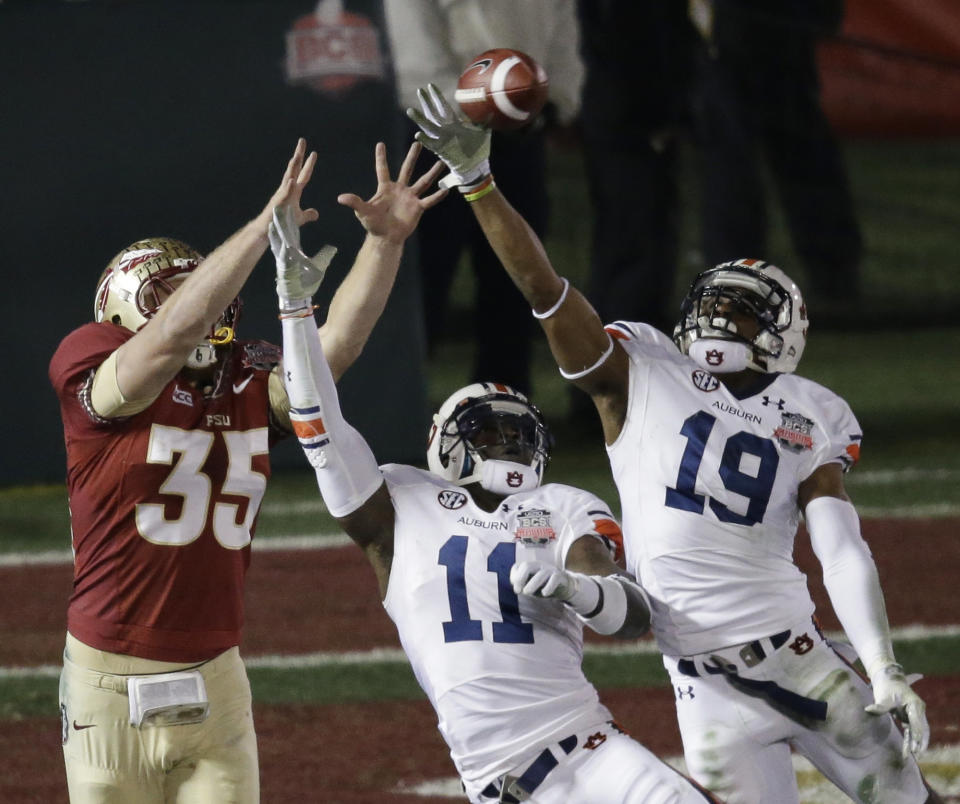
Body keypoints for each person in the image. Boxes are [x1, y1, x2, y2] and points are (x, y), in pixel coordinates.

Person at [406, 86, 944, 803]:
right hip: (701, 684)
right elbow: (545, 290)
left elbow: (839, 542)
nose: (722, 316)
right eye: (715, 302)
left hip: (800, 662)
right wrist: (479, 185)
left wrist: (881, 666)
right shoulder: (641, 371)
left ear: (785, 336)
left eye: (744, 312)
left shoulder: (812, 413)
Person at [270, 207, 721, 803]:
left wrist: (573, 589)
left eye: (517, 433)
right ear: (444, 443)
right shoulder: (399, 502)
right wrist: (296, 311)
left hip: (591, 747)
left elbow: (633, 615)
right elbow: (318, 428)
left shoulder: (563, 505)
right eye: (485, 432)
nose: (506, 443)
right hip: (500, 786)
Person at [49, 139, 444, 803]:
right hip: (107, 684)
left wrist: (385, 244)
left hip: (218, 676)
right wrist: (267, 226)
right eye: (175, 293)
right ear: (121, 310)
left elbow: (331, 355)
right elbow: (170, 337)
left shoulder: (243, 378)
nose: (208, 307)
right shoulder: (92, 361)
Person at [382, 0, 584, 393]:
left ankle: (507, 411)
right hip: (439, 136)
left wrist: (555, 97)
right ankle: (396, 409)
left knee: (517, 276)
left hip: (517, 134)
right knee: (423, 279)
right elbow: (415, 56)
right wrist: (483, 102)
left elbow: (561, 30)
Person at [688, 0, 863, 307]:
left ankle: (743, 280)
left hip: (762, 31)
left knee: (764, 155)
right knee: (749, 158)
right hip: (755, 31)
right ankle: (743, 279)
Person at [576, 0, 695, 334]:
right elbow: (632, 43)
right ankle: (613, 356)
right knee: (632, 246)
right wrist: (659, 112)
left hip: (630, 117)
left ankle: (633, 351)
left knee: (644, 242)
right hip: (629, 121)